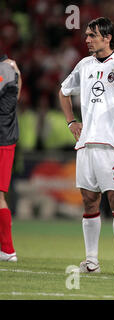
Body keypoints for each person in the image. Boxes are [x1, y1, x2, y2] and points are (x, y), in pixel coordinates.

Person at [58, 17, 114, 275]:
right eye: (86, 35)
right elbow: (64, 91)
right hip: (86, 145)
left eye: (92, 35)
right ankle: (92, 261)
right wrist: (71, 122)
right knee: (89, 202)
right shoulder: (84, 65)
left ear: (107, 37)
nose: (87, 39)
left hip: (113, 145)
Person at [0, 54, 22, 262]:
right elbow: (15, 98)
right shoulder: (10, 69)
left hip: (2, 139)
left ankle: (7, 250)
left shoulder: (4, 69)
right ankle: (6, 249)